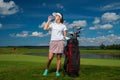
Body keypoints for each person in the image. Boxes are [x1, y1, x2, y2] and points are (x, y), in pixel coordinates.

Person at [43, 12, 67, 77]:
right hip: (53, 42)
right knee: (50, 58)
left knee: (58, 58)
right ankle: (46, 69)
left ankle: (57, 71)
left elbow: (64, 35)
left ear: (60, 17)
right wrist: (48, 21)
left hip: (60, 42)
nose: (55, 16)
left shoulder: (63, 26)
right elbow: (45, 28)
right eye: (55, 15)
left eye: (56, 15)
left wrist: (67, 37)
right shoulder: (52, 24)